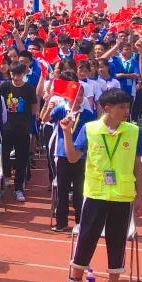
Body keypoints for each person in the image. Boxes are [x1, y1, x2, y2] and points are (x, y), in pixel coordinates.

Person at [53, 89, 142, 282]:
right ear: (107, 109)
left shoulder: (133, 131)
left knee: (117, 239)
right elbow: (72, 156)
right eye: (121, 107)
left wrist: (141, 196)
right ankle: (75, 280)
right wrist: (67, 133)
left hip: (122, 195)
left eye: (127, 106)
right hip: (95, 192)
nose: (126, 111)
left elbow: (137, 166)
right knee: (87, 236)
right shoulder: (89, 129)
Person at [45, 71, 95, 232]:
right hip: (62, 153)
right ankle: (61, 222)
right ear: (68, 94)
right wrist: (48, 106)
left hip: (81, 155)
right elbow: (45, 119)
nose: (78, 98)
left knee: (80, 190)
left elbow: (92, 133)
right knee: (62, 189)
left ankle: (80, 221)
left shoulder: (87, 114)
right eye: (75, 94)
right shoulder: (61, 110)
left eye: (81, 95)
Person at [0, 62, 38, 202]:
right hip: (6, 129)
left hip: (23, 129)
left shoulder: (29, 88)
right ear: (10, 74)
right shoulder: (5, 86)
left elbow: (34, 106)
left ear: (24, 74)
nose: (16, 77)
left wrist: (30, 123)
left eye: (19, 74)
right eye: (13, 74)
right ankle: (3, 181)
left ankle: (18, 188)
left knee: (22, 159)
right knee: (3, 157)